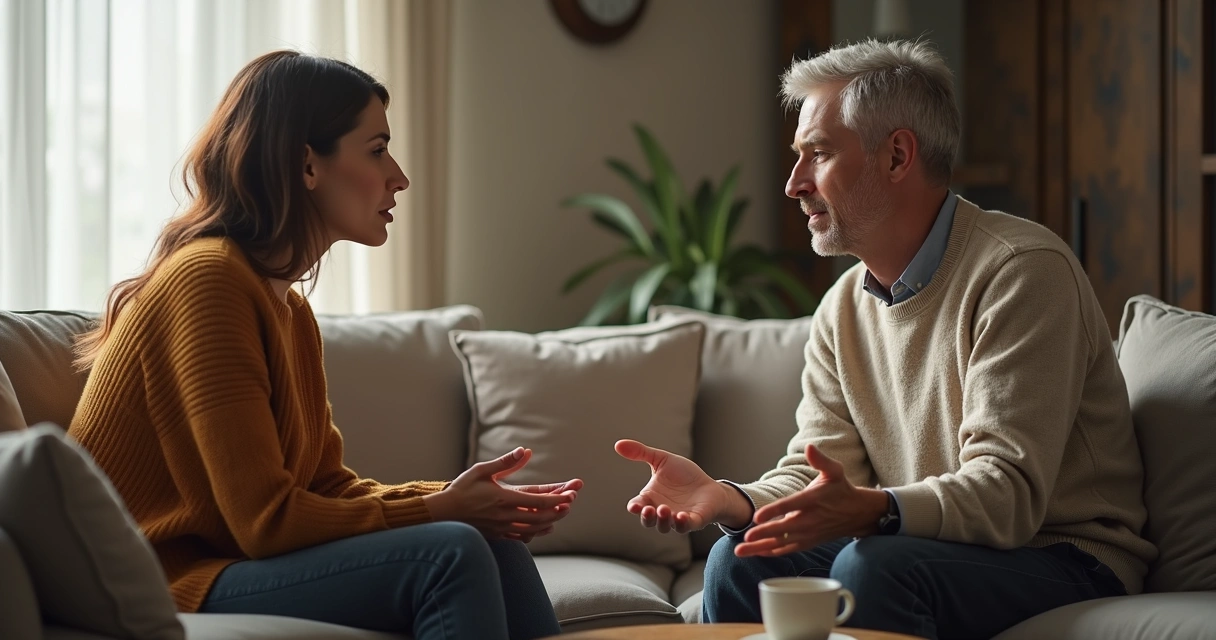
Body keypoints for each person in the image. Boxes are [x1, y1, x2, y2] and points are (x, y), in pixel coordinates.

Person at [616, 38, 1155, 640]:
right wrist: (730, 500)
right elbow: (817, 471)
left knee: (874, 565)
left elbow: (1008, 497)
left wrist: (877, 511)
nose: (794, 183)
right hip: (932, 544)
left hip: (1066, 554)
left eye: (817, 154)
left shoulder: (1021, 271)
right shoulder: (842, 307)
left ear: (897, 156)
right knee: (742, 558)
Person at [68, 50, 580, 640]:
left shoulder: (286, 306)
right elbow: (266, 521)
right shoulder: (208, 281)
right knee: (451, 553)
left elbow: (323, 487)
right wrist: (443, 512)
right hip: (157, 576)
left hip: (224, 562)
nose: (400, 177)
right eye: (377, 149)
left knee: (493, 544)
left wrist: (463, 498)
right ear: (306, 163)